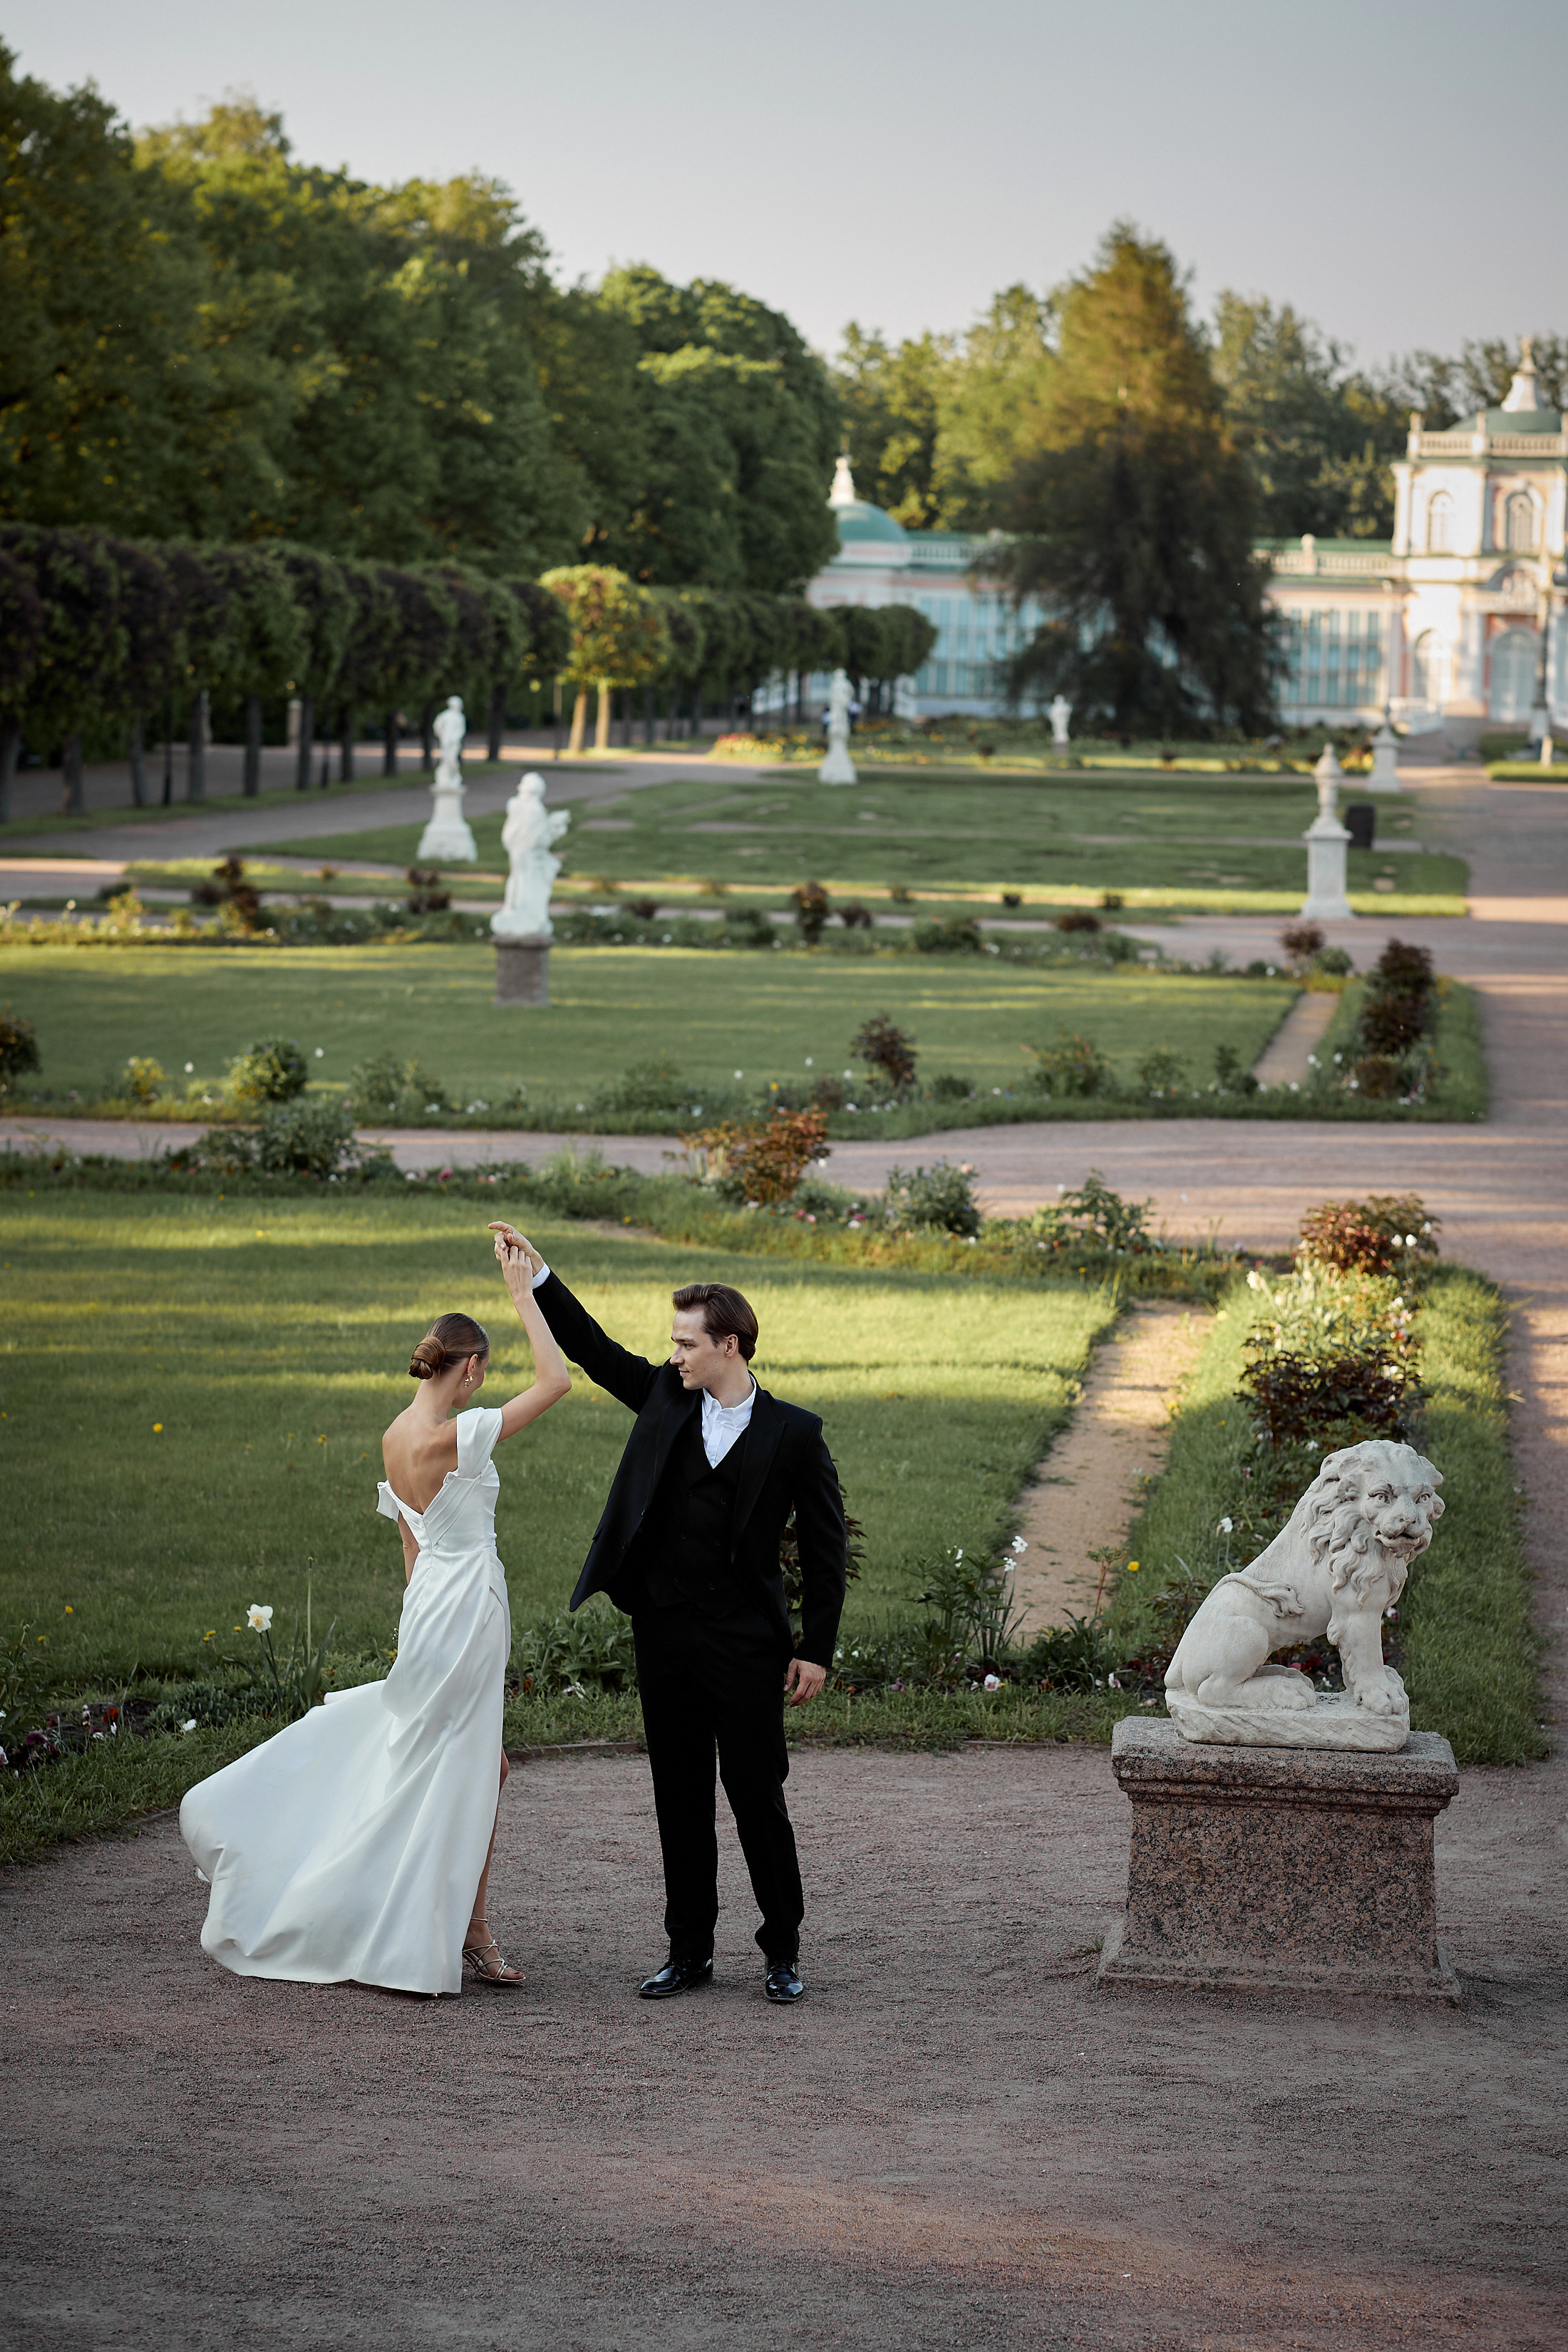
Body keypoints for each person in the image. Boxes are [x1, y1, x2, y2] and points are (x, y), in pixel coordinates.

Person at [179, 1231, 571, 1996]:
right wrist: (524, 1296)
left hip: (430, 1607)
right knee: (470, 1768)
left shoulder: (395, 1435)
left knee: (465, 1764)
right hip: (466, 1608)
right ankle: (461, 1930)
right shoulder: (458, 1434)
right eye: (480, 1374)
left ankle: (461, 1925)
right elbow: (555, 1382)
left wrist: (413, 1635)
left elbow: (410, 1546)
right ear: (472, 1368)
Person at [488, 1227, 847, 2005]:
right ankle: (688, 1951)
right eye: (673, 1343)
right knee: (678, 1796)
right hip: (665, 1633)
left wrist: (815, 1651)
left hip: (748, 1644)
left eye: (687, 1343)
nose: (675, 1354)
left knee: (757, 1798)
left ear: (730, 1344)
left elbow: (824, 1555)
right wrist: (538, 1273)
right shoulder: (659, 1396)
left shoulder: (796, 1435)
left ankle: (781, 1951)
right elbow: (589, 1346)